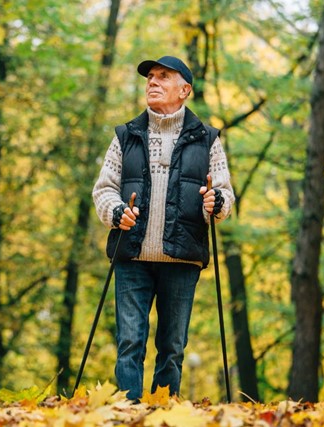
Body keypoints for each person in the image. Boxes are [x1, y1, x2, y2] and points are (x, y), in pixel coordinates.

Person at [92, 55, 235, 400]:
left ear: (184, 90)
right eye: (150, 77)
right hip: (131, 254)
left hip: (182, 256)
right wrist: (115, 212)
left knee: (172, 347)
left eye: (163, 76)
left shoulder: (208, 139)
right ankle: (128, 414)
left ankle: (165, 415)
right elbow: (104, 189)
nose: (152, 82)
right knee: (129, 343)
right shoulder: (126, 135)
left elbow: (225, 195)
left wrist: (214, 202)